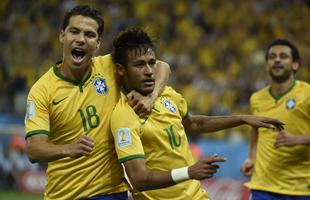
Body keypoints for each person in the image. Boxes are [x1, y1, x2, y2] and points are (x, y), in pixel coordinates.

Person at [110, 28, 285, 200]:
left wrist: (242, 119)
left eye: (151, 62)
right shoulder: (124, 115)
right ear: (120, 69)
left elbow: (194, 124)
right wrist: (189, 172)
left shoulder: (167, 93)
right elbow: (139, 179)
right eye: (139, 65)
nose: (149, 71)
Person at [24, 5, 170, 200]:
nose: (81, 39)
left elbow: (162, 66)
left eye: (89, 34)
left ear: (98, 43)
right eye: (74, 31)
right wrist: (68, 148)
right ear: (62, 36)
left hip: (112, 191)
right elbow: (34, 150)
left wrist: (150, 98)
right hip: (66, 194)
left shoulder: (109, 66)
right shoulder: (42, 91)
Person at [241, 39, 310, 199]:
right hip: (262, 187)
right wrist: (251, 158)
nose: (277, 60)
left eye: (283, 56)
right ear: (267, 65)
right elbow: (255, 130)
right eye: (272, 57)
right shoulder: (257, 98)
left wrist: (297, 139)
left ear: (295, 65)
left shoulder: (307, 93)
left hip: (300, 188)